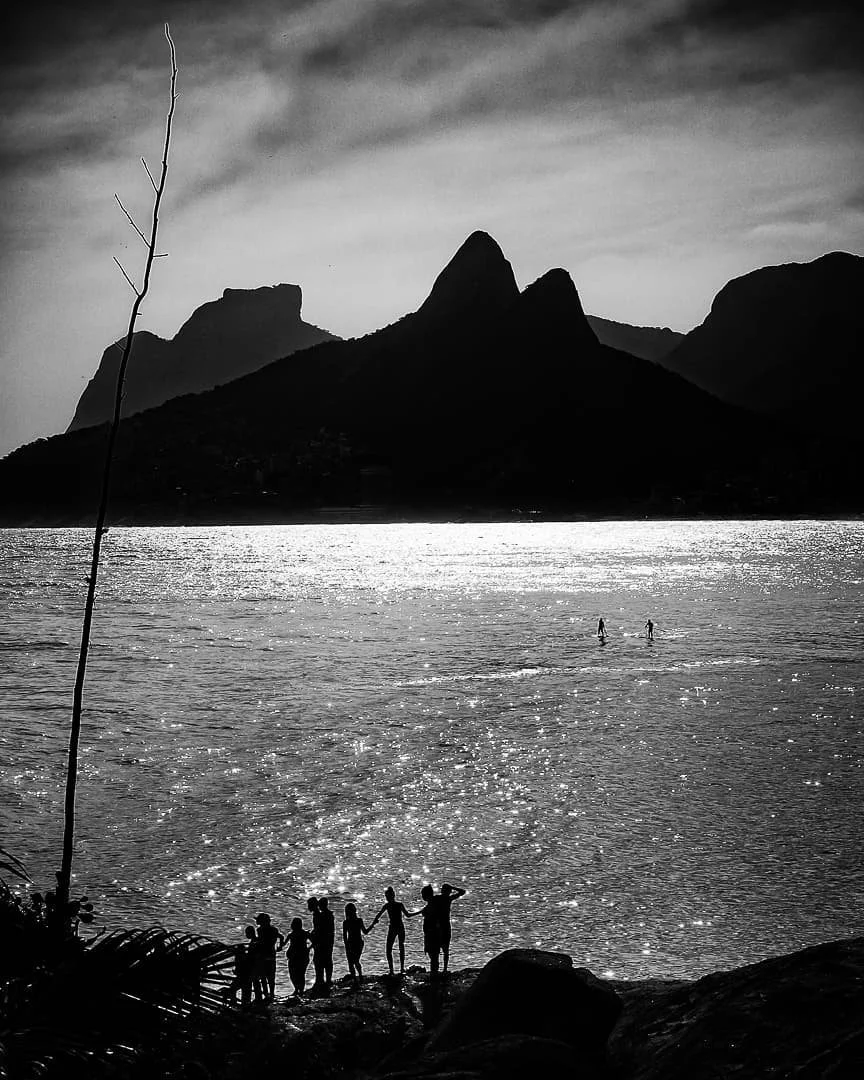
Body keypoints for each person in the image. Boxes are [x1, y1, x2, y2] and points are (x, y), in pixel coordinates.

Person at [370, 886, 416, 976]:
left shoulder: (393, 905)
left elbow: (407, 915)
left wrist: (373, 923)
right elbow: (378, 915)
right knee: (394, 948)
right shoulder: (393, 905)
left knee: (396, 948)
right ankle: (395, 969)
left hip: (397, 927)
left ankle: (398, 969)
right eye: (386, 896)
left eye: (387, 896)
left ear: (392, 896)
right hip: (396, 927)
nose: (387, 898)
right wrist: (373, 923)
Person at [226, 925, 261, 1006]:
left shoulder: (254, 943)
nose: (246, 935)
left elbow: (253, 957)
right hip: (249, 970)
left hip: (250, 970)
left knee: (240, 987)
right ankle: (248, 1003)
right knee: (249, 987)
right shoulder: (253, 942)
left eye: (247, 933)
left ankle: (239, 1003)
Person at [436, 882, 466, 974]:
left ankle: (443, 968)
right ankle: (443, 968)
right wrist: (453, 887)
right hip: (442, 925)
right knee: (443, 948)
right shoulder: (447, 899)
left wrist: (451, 887)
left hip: (443, 925)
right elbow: (462, 891)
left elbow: (463, 891)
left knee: (443, 948)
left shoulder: (445, 899)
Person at [254, 912, 284, 1002]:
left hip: (263, 956)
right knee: (271, 977)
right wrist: (280, 946)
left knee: (263, 977)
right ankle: (271, 994)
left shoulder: (260, 930)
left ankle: (267, 994)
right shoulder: (274, 930)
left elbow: (260, 942)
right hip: (271, 955)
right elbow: (281, 937)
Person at [285, 916, 314, 998]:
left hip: (301, 956)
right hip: (294, 956)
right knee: (295, 974)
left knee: (299, 974)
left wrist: (308, 948)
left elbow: (314, 941)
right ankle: (297, 989)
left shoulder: (304, 933)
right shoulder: (292, 934)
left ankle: (300, 990)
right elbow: (284, 944)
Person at [342, 903, 371, 982]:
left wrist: (346, 945)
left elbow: (344, 936)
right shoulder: (358, 920)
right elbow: (365, 932)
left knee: (352, 962)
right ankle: (359, 976)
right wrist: (372, 925)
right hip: (357, 943)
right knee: (355, 961)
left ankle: (357, 978)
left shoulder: (346, 922)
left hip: (352, 943)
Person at [418, 884, 442, 976]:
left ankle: (434, 973)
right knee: (433, 955)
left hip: (432, 933)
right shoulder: (431, 905)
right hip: (430, 933)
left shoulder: (432, 906)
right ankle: (434, 972)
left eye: (423, 894)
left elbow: (433, 920)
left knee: (433, 954)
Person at [314, 896, 335, 991]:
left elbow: (321, 929)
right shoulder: (329, 915)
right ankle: (326, 980)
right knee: (327, 960)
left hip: (324, 941)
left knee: (322, 961)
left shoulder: (325, 915)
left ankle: (324, 980)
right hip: (328, 940)